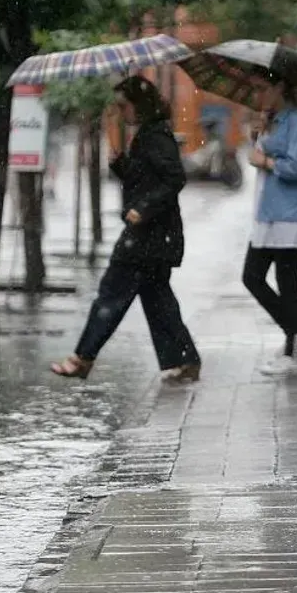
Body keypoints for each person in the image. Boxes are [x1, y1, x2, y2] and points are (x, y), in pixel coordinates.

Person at [51, 76, 201, 383]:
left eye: (124, 105)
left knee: (111, 294)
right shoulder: (149, 134)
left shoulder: (156, 136)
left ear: (140, 104)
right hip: (157, 237)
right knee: (158, 300)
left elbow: (174, 179)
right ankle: (185, 359)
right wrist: (122, 166)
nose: (121, 112)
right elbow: (146, 177)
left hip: (147, 237)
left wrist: (142, 209)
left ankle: (83, 357)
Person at [244, 73, 297, 377]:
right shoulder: (272, 120)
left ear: (280, 88)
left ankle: (292, 351)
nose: (258, 95)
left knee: (287, 281)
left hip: (292, 213)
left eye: (263, 89)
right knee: (252, 276)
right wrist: (258, 137)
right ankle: (295, 335)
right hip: (269, 211)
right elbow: (265, 152)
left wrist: (264, 160)